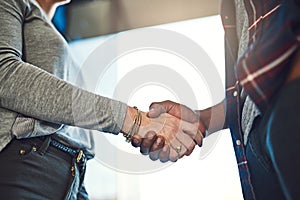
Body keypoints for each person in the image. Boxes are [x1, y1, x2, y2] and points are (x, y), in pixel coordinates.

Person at [0, 0, 202, 199]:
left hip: (73, 172)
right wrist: (135, 121)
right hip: (26, 163)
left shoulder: (55, 34)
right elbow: (5, 75)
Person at [133, 0, 300, 199]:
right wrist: (200, 120)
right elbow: (245, 96)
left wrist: (288, 109)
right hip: (259, 148)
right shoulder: (231, 7)